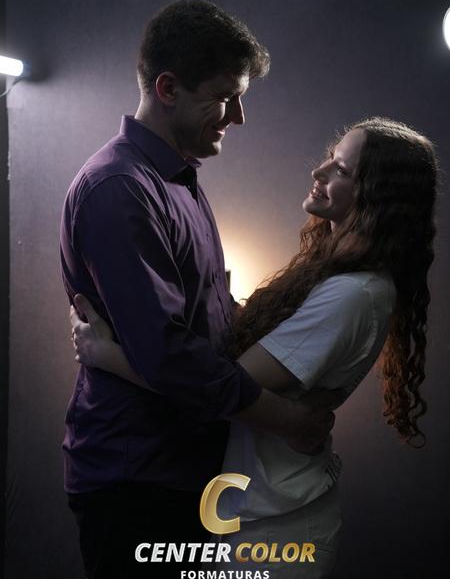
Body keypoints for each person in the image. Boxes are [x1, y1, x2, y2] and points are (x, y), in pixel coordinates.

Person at [70, 117, 438, 578]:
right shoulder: (337, 276)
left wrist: (106, 356)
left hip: (280, 527)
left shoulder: (355, 294)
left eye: (341, 170)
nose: (319, 171)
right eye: (330, 158)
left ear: (378, 198)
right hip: (256, 514)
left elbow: (223, 386)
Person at [60, 0, 337, 579]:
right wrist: (286, 420)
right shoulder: (119, 190)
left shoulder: (178, 180)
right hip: (138, 482)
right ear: (167, 88)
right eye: (225, 96)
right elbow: (171, 357)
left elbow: (209, 321)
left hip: (185, 475)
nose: (238, 117)